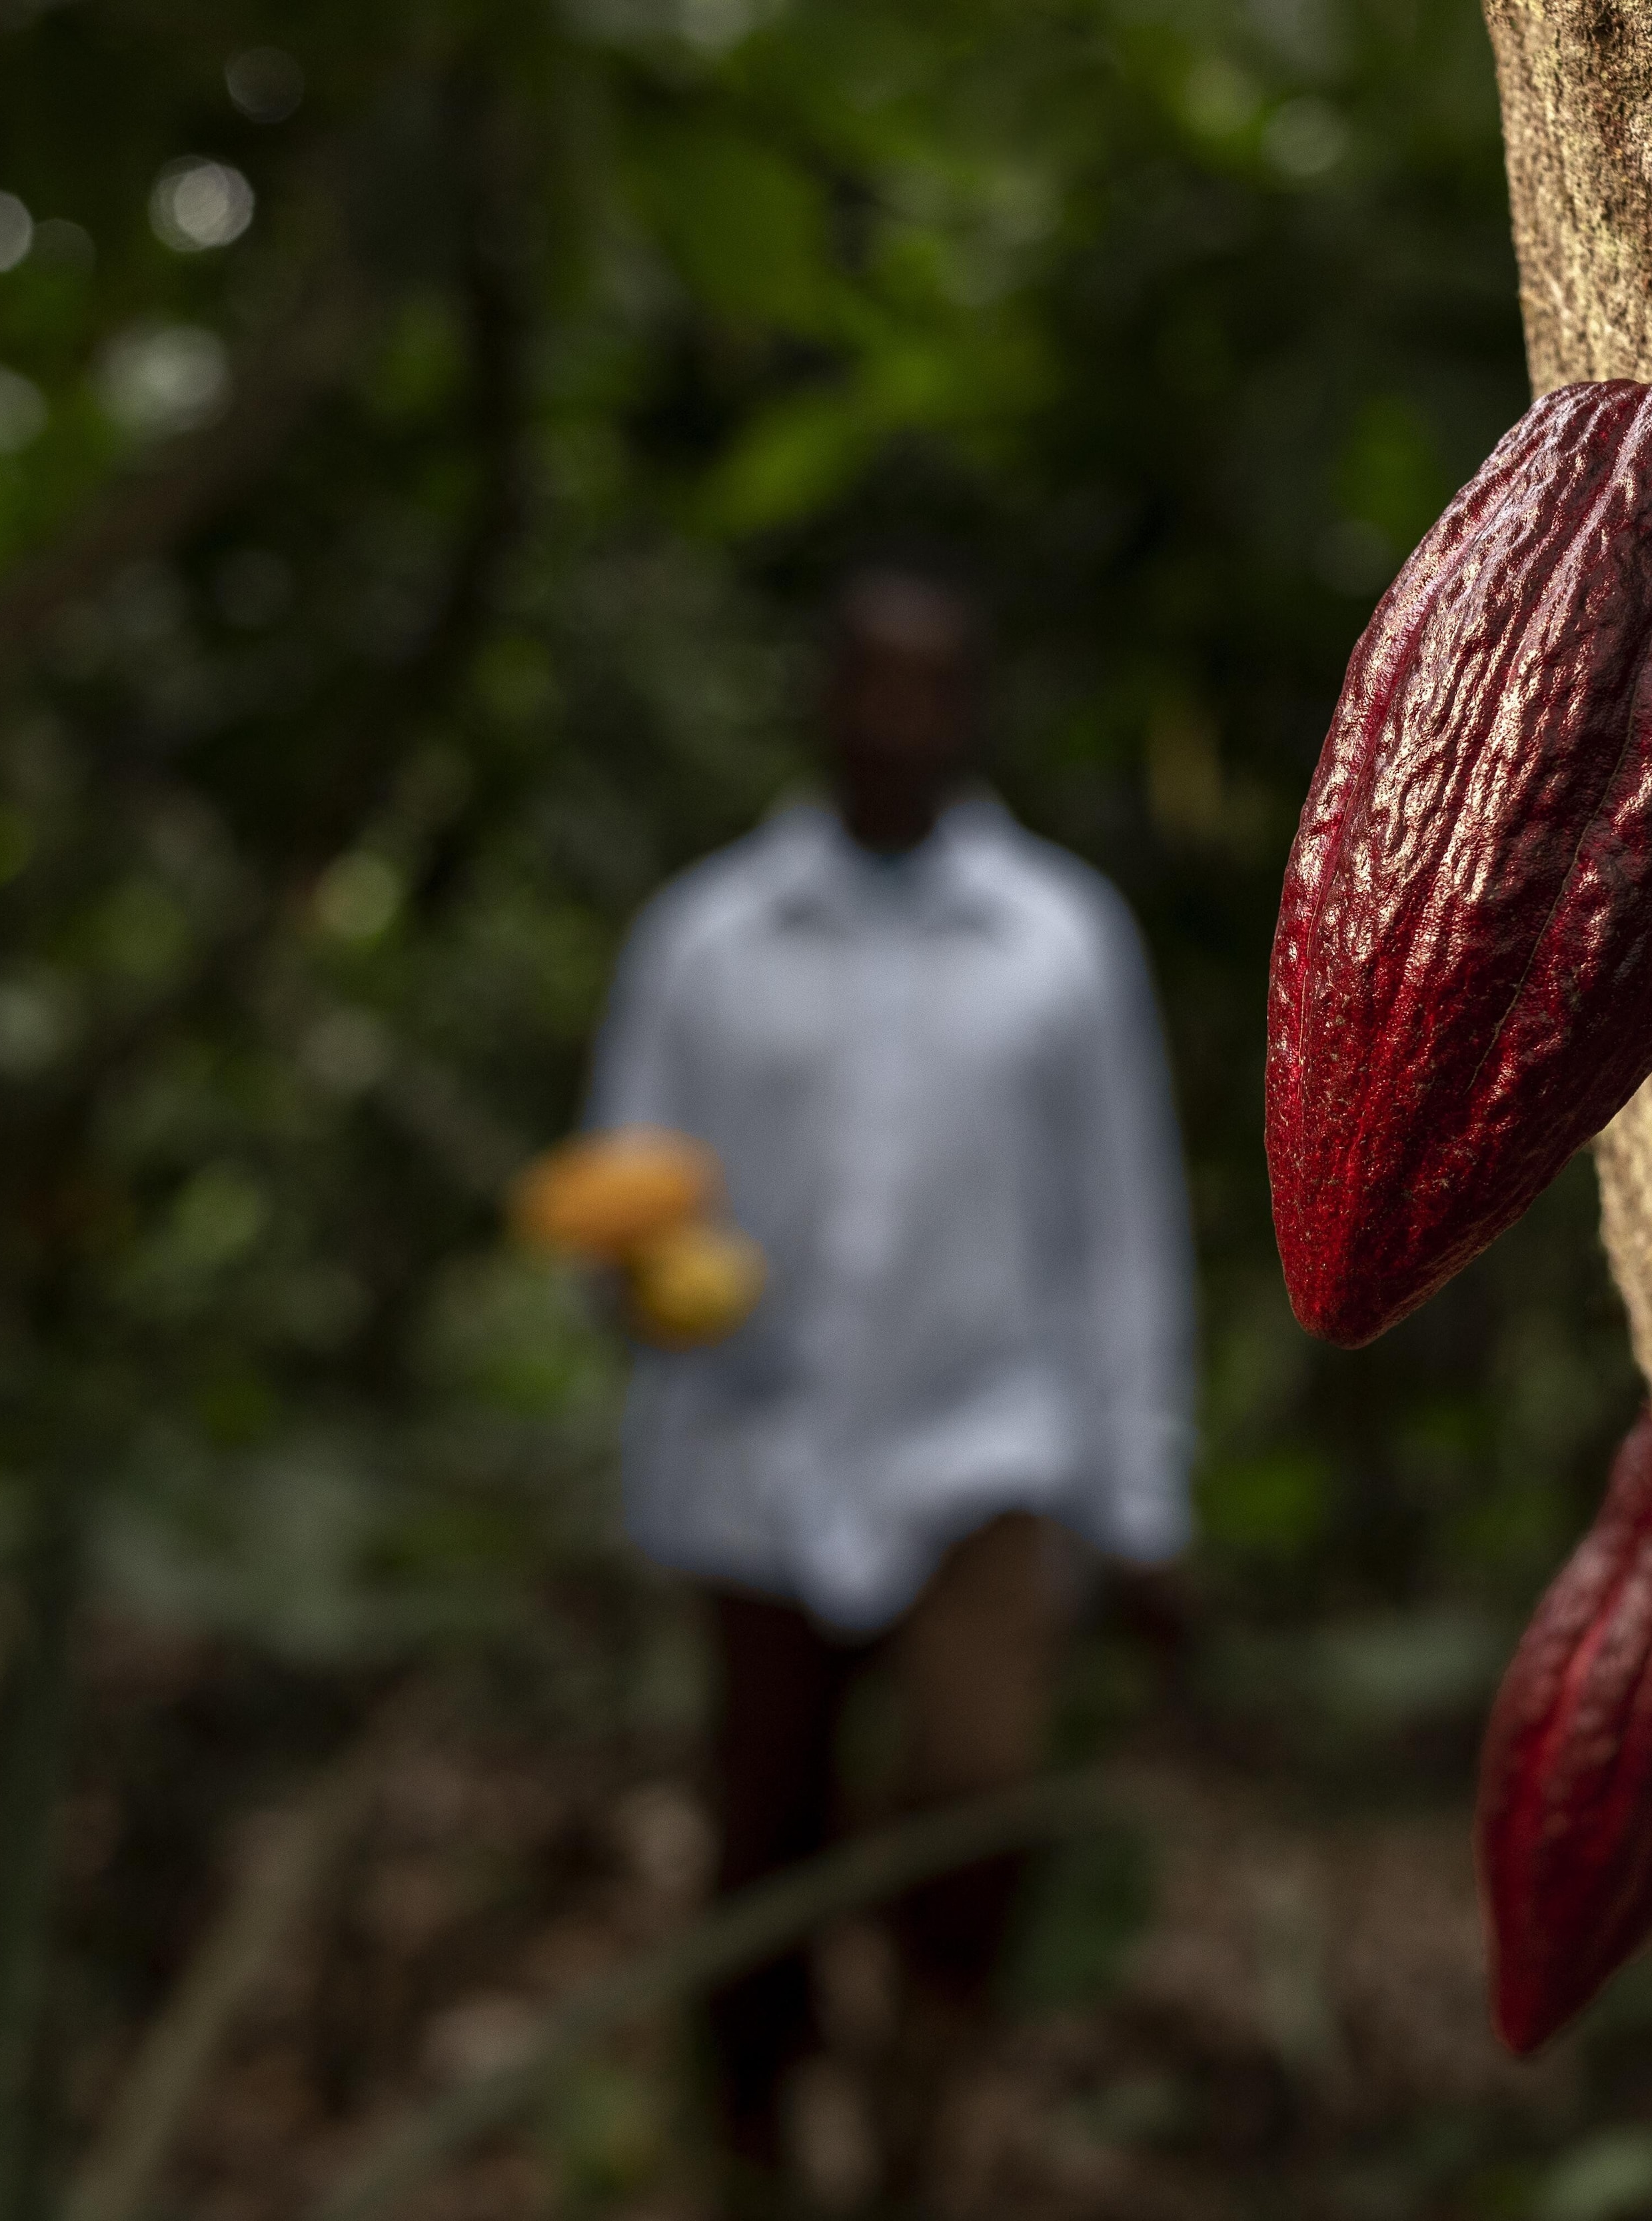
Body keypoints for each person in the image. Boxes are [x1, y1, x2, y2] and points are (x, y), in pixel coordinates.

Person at [578, 568, 1195, 2214]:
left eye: (933, 687)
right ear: (824, 696)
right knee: (763, 1832)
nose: (899, 719)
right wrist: (638, 1278)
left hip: (985, 1456)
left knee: (972, 1818)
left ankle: (920, 2134)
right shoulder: (706, 939)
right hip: (753, 1457)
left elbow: (1119, 1229)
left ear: (973, 710)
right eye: (873, 682)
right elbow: (623, 1186)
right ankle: (750, 2147)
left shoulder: (1060, 941)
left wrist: (1139, 1495)